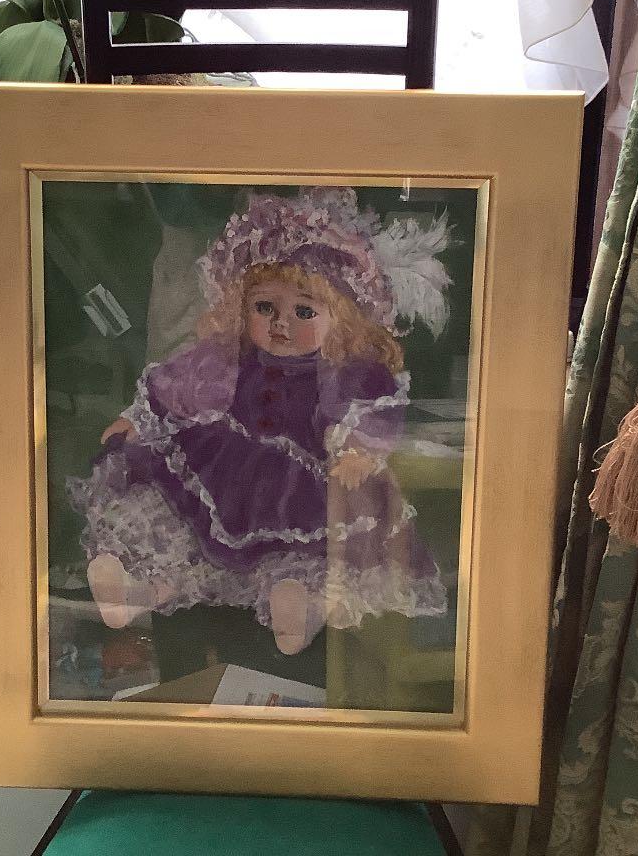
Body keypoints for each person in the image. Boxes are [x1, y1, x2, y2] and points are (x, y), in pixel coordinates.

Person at [68, 187, 451, 655]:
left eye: (303, 311)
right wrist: (139, 419)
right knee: (178, 518)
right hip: (222, 469)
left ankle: (301, 608)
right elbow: (180, 385)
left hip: (301, 484)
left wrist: (358, 451)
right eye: (264, 307)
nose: (280, 324)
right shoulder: (229, 357)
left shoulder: (344, 370)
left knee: (304, 553)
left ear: (342, 318)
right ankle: (142, 589)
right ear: (241, 306)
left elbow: (373, 408)